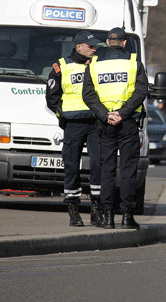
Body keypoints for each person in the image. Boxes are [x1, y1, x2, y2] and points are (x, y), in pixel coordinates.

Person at [82, 27, 148, 230]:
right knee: (128, 170)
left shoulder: (93, 64)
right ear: (125, 43)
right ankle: (127, 216)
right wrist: (123, 113)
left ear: (108, 43)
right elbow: (141, 91)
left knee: (107, 171)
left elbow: (88, 94)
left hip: (104, 124)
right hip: (127, 123)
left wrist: (105, 114)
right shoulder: (134, 63)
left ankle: (108, 216)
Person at [45, 30, 102, 227]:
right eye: (90, 46)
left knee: (99, 165)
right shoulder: (61, 67)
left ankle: (97, 208)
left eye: (95, 46)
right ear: (79, 47)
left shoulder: (97, 65)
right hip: (73, 124)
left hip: (95, 122)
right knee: (71, 166)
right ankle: (73, 210)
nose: (94, 49)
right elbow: (52, 98)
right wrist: (63, 116)